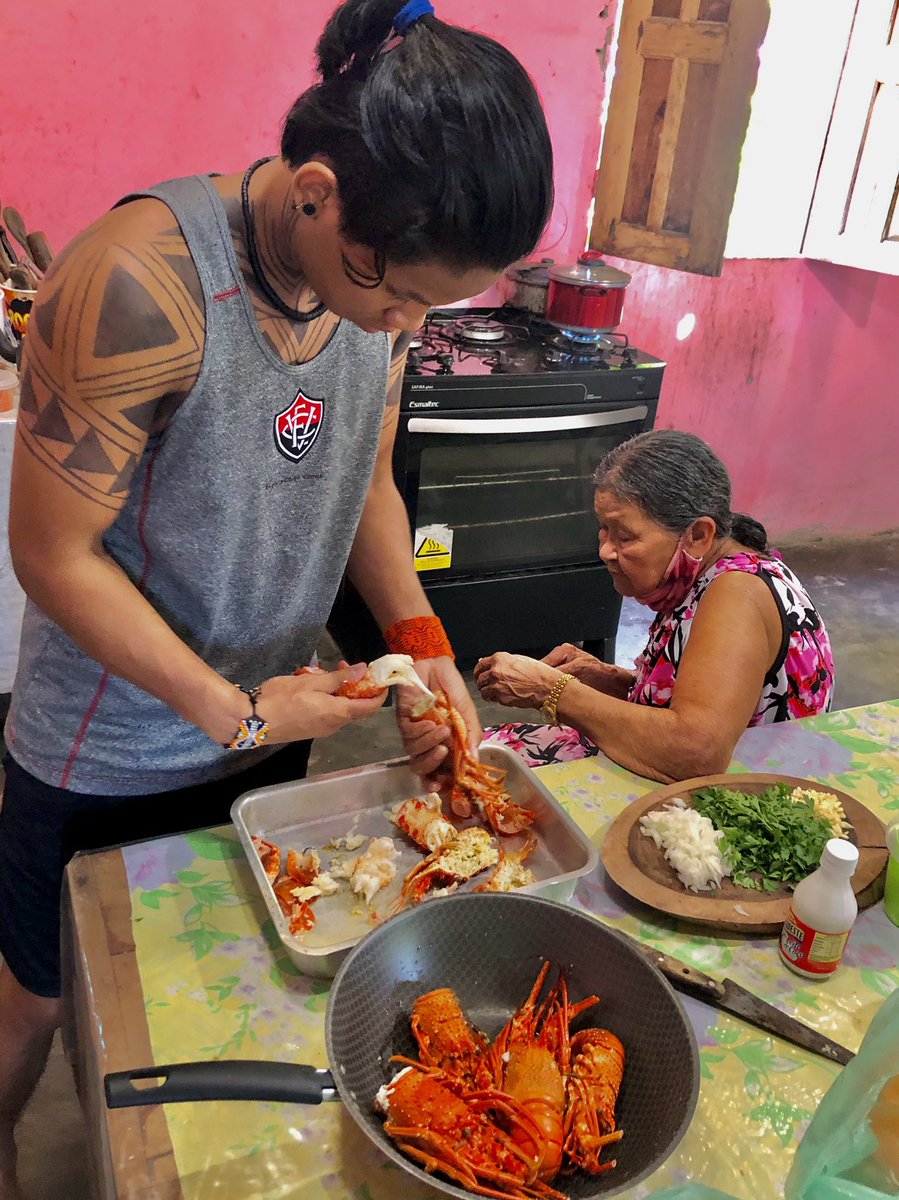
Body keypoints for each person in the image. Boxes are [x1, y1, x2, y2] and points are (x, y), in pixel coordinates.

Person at [0, 0, 553, 1190]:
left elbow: (360, 486)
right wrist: (230, 708)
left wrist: (420, 646)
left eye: (429, 309)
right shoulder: (135, 284)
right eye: (399, 297)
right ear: (317, 193)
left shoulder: (374, 286)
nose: (406, 327)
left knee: (218, 978)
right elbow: (50, 556)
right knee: (35, 1006)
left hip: (270, 721)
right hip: (105, 743)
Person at [475, 430, 834, 782]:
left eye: (625, 535)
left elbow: (696, 752)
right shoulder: (707, 570)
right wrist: (616, 681)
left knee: (485, 772)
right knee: (478, 755)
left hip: (748, 798)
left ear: (698, 534)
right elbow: (707, 695)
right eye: (604, 529)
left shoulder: (737, 594)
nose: (605, 551)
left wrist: (552, 690)